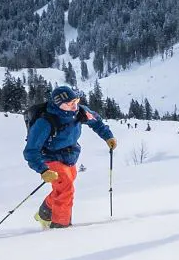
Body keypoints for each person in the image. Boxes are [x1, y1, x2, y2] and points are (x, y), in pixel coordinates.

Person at [24, 85, 117, 229]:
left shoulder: (80, 112)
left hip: (70, 156)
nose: (74, 106)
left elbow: (96, 121)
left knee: (62, 188)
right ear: (58, 105)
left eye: (76, 101)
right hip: (49, 157)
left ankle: (44, 213)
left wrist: (108, 136)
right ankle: (61, 227)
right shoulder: (45, 122)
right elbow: (31, 151)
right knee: (66, 189)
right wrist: (43, 170)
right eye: (70, 104)